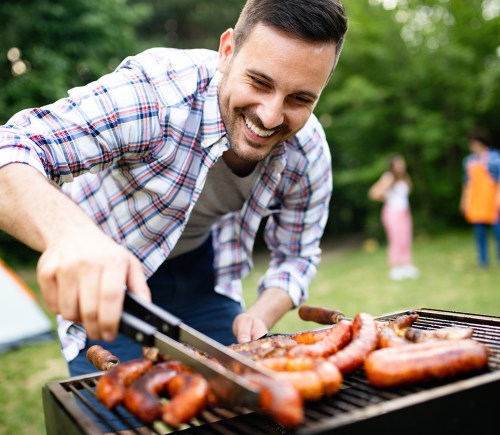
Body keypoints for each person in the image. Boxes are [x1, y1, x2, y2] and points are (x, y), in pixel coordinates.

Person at [0, 0, 348, 379]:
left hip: (205, 275)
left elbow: (297, 257)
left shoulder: (307, 149)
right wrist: (71, 236)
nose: (269, 116)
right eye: (259, 83)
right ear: (227, 51)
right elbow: (12, 147)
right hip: (112, 283)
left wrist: (259, 314)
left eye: (300, 99)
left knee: (242, 406)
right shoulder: (155, 94)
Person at [368, 154, 419, 281]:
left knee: (405, 239)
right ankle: (395, 268)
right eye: (398, 164)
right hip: (392, 212)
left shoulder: (405, 178)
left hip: (404, 211)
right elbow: (373, 193)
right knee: (395, 239)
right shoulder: (388, 178)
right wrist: (386, 197)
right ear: (392, 166)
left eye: (402, 163)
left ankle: (406, 265)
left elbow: (408, 191)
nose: (401, 166)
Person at [459, 128, 500, 268]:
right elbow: (467, 183)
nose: (471, 146)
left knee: (498, 232)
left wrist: (498, 198)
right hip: (476, 201)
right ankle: (483, 261)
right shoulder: (469, 161)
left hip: (493, 200)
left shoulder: (495, 158)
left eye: (473, 143)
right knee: (479, 233)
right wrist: (464, 200)